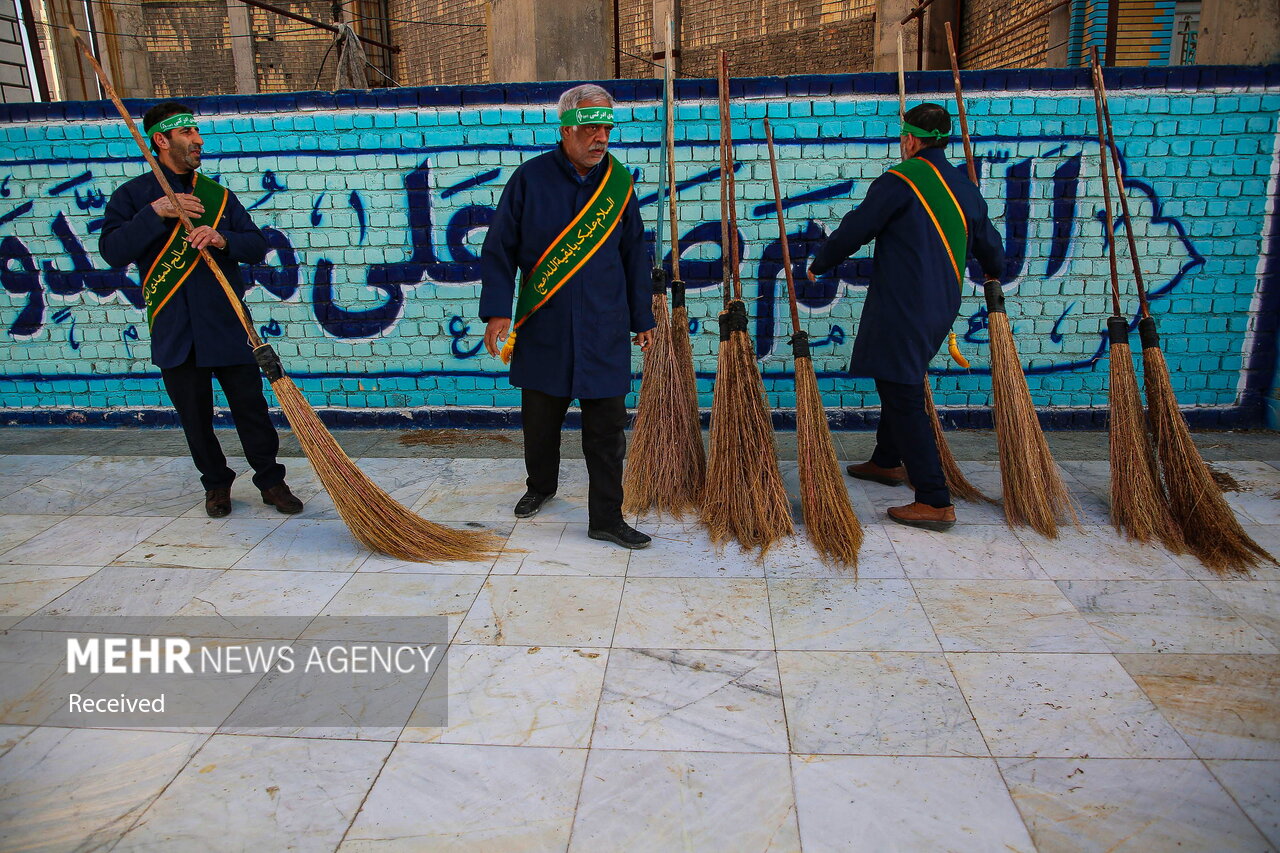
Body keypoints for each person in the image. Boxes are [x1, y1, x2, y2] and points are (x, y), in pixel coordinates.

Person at [100, 101, 303, 519]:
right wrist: (155, 213)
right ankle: (216, 484)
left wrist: (221, 237)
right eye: (187, 133)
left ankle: (271, 480)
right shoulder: (132, 197)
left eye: (196, 131)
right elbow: (112, 251)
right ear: (161, 140)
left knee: (251, 410)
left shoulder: (218, 197)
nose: (198, 140)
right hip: (175, 329)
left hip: (227, 324)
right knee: (195, 418)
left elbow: (258, 245)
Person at [808, 103, 1004, 531]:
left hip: (905, 301)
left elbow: (858, 227)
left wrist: (820, 263)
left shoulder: (901, 180)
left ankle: (934, 499)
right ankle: (886, 460)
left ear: (911, 139)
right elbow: (990, 243)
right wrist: (995, 269)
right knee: (896, 375)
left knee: (902, 388)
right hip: (941, 302)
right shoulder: (964, 186)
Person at [480, 84, 656, 549]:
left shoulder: (619, 185)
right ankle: (540, 486)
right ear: (565, 131)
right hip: (545, 327)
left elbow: (636, 254)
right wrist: (497, 312)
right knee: (540, 424)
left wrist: (644, 319)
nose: (600, 138)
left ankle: (606, 518)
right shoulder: (530, 180)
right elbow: (499, 248)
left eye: (606, 129)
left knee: (607, 432)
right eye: (590, 129)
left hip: (604, 327)